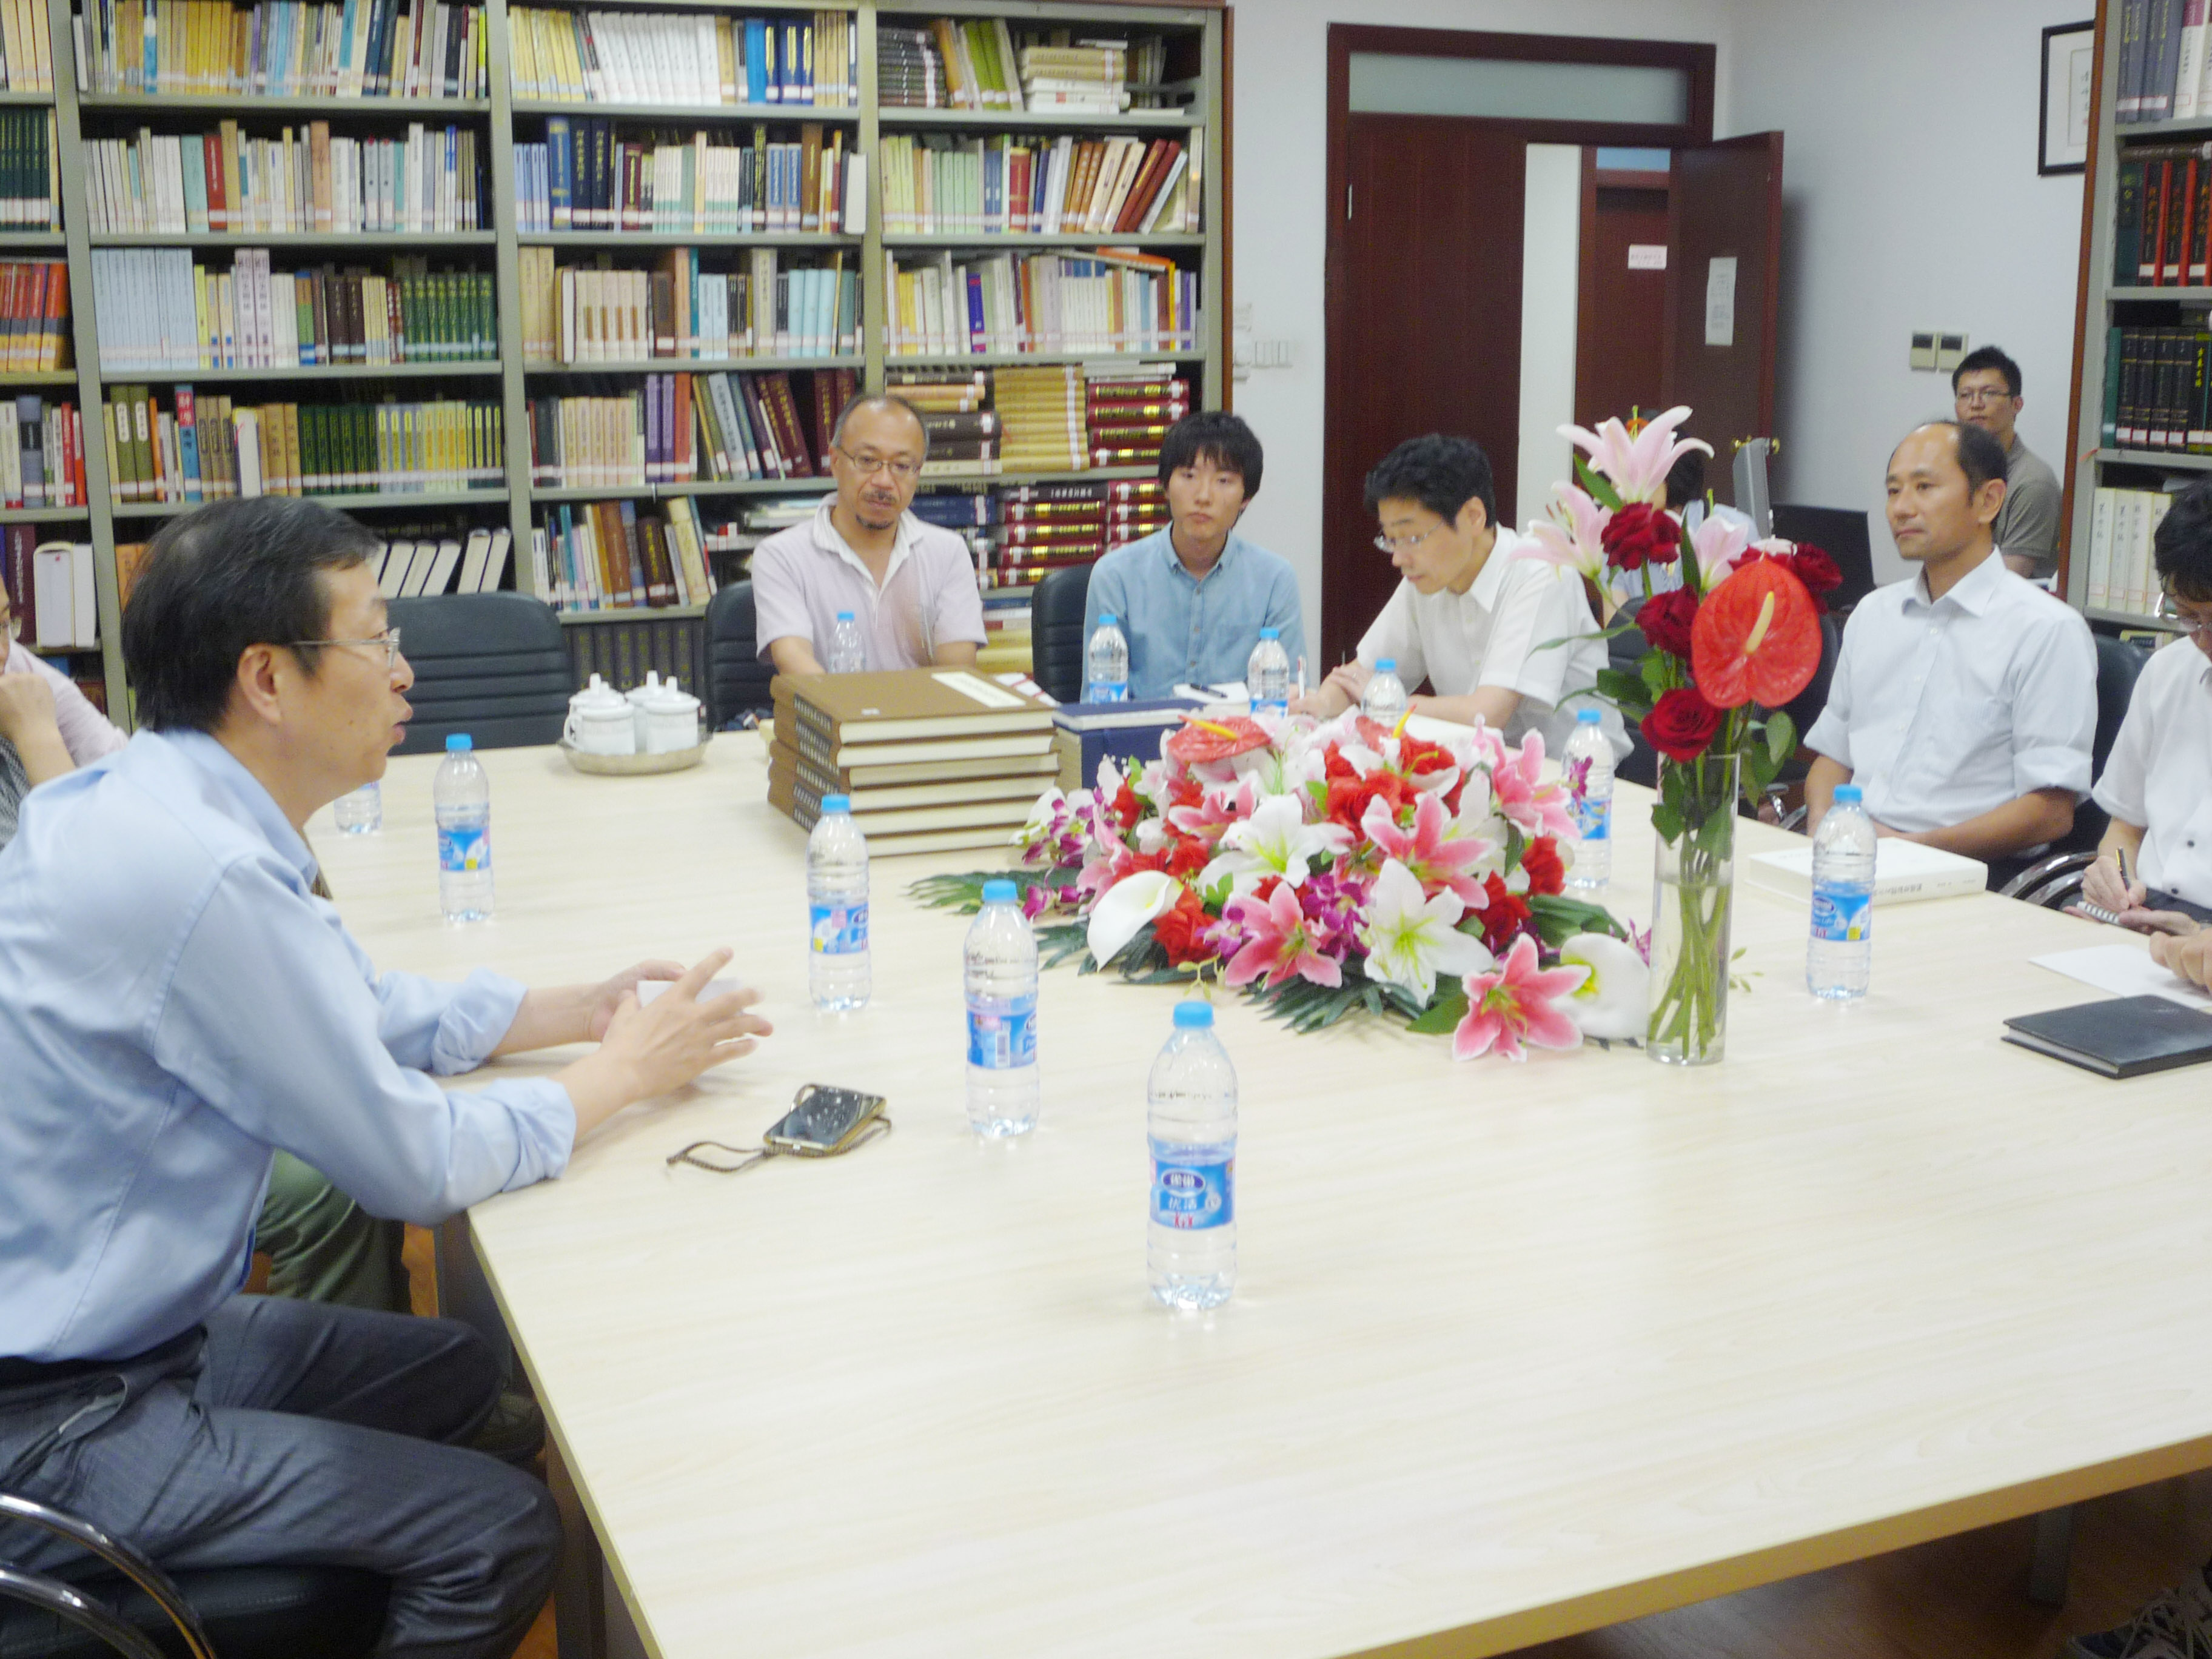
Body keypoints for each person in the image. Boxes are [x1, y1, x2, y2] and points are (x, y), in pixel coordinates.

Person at [0, 497, 773, 1659]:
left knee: (462, 1368)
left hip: (121, 1345)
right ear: (268, 678)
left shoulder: (156, 803)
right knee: (498, 1532)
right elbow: (412, 1162)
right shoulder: (202, 873)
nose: (404, 670)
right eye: (376, 638)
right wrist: (617, 1075)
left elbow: (343, 1003)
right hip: (57, 1420)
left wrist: (569, 1011)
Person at [1802, 421, 2095, 868]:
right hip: (1853, 858)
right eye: (1894, 491)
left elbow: (2050, 812)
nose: (1902, 509)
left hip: (1969, 870)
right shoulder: (1871, 615)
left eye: (1924, 487)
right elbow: (1833, 758)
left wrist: (1911, 848)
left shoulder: (2047, 630)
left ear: (1988, 501)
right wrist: (1823, 831)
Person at [1291, 433, 1627, 759]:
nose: (1398, 558)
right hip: (1480, 769)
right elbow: (1357, 677)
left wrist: (1383, 702)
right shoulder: (1424, 580)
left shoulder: (1541, 574)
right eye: (1391, 540)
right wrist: (1320, 702)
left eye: (1412, 538)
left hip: (1582, 777)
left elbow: (1488, 714)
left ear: (1473, 517)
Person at [752, 394, 987, 676]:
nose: (884, 481)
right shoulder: (781, 555)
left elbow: (958, 672)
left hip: (921, 705)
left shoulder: (948, 553)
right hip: (830, 704)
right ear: (835, 462)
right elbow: (795, 661)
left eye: (902, 466)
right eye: (867, 460)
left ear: (918, 473)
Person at [1080, 410, 1304, 699]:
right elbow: (1099, 701)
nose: (1203, 496)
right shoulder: (1115, 576)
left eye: (1224, 481)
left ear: (1246, 498)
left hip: (1236, 728)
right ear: (1165, 486)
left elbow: (1288, 696)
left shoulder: (1274, 579)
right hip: (1143, 727)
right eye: (1189, 476)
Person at [2076, 480, 2212, 943]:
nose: (2203, 640)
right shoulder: (2168, 671)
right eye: (2188, 616)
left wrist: (2200, 937)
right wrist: (2115, 880)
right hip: (2144, 921)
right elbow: (2126, 828)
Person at [0, 578, 127, 845]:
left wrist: (36, 734)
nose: (2, 653)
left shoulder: (18, 672)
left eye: (3, 624)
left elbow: (119, 769)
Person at [1952, 345, 2062, 580]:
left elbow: (2008, 580)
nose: (1976, 404)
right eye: (1966, 395)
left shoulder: (2033, 482)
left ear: (2017, 405)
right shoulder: (1952, 472)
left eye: (1989, 393)